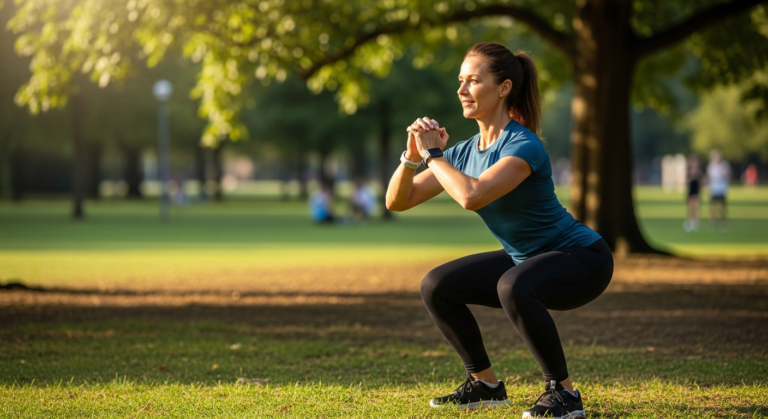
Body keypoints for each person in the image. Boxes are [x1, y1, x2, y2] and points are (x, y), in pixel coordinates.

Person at [386, 43, 613, 419]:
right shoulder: (462, 152)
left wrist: (434, 156)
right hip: (528, 258)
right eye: (460, 81)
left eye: (473, 81)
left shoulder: (524, 145)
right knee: (437, 285)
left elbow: (471, 196)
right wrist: (412, 157)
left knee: (513, 284)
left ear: (504, 87)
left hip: (583, 258)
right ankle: (485, 386)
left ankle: (565, 395)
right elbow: (398, 201)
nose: (461, 90)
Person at [706, 150, 730, 230]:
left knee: (722, 205)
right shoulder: (711, 166)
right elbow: (709, 177)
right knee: (712, 205)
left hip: (722, 188)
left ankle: (724, 220)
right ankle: (713, 220)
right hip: (713, 188)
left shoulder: (724, 165)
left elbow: (728, 175)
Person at [684, 155, 702, 232]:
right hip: (691, 191)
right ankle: (691, 222)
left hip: (696, 191)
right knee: (691, 208)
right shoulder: (689, 171)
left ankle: (696, 223)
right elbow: (686, 180)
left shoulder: (699, 172)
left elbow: (702, 181)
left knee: (696, 207)